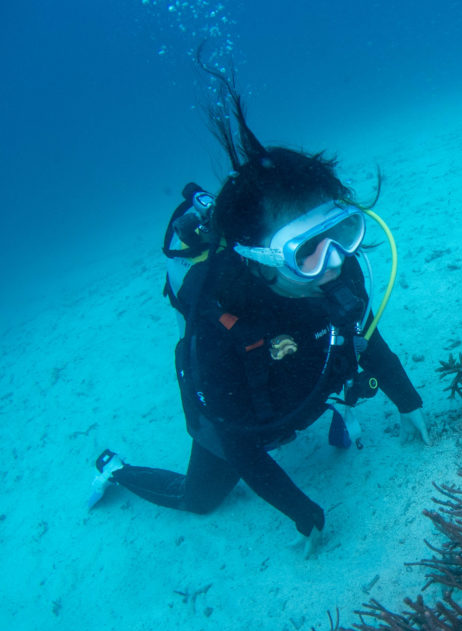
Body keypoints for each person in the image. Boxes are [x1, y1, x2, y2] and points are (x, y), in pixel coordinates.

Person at [88, 77, 430, 555]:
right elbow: (239, 444)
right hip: (245, 414)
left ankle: (327, 409)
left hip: (300, 382)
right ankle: (117, 470)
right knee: (200, 500)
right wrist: (303, 512)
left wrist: (409, 402)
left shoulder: (337, 271)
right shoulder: (217, 327)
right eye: (306, 250)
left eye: (341, 231)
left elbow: (366, 339)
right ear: (256, 257)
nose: (334, 260)